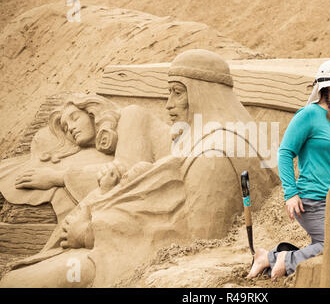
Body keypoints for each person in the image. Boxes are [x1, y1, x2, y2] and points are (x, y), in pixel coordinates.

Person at [0, 49, 277, 287]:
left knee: (13, 282)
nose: (168, 104)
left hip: (120, 254)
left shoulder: (213, 155)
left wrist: (91, 232)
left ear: (201, 94)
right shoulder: (218, 142)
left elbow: (199, 241)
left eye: (177, 93)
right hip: (115, 236)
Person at [247, 60, 330, 280]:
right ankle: (283, 259)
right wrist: (290, 194)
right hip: (314, 199)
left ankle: (271, 257)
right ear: (329, 87)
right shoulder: (308, 115)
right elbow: (284, 153)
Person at [0, 94, 170, 222]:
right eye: (66, 128)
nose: (71, 128)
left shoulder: (131, 115)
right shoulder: (104, 152)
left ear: (92, 113)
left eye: (75, 118)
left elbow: (129, 174)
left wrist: (56, 177)